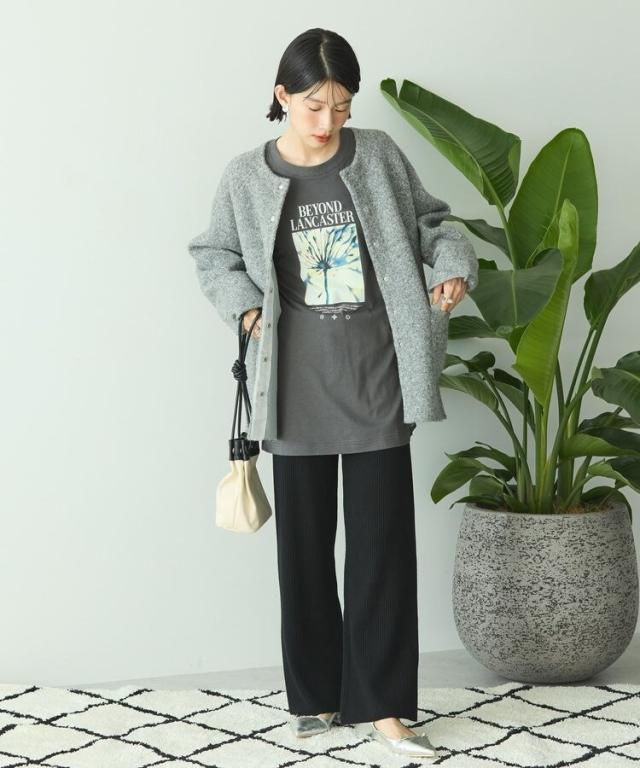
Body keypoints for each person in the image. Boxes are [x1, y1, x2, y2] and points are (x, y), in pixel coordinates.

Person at [189, 27, 475, 761]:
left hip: (378, 375)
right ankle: (315, 697)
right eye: (315, 106)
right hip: (295, 389)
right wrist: (246, 309)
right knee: (305, 553)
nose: (329, 122)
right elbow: (214, 253)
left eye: (342, 107)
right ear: (282, 96)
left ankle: (385, 707)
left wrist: (451, 267)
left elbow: (435, 223)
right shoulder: (245, 176)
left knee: (382, 551)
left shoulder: (376, 156)